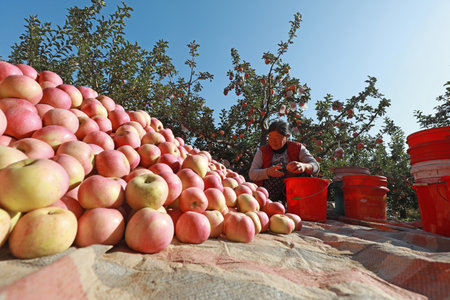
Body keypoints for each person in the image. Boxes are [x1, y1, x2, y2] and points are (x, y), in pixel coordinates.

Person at [249, 120, 320, 206]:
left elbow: (316, 166)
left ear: (287, 137)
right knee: (280, 169)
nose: (273, 141)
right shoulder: (262, 151)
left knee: (305, 173)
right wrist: (267, 172)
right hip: (270, 192)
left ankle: (299, 205)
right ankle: (270, 205)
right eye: (270, 138)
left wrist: (304, 166)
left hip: (293, 190)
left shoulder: (297, 148)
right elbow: (252, 174)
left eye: (278, 138)